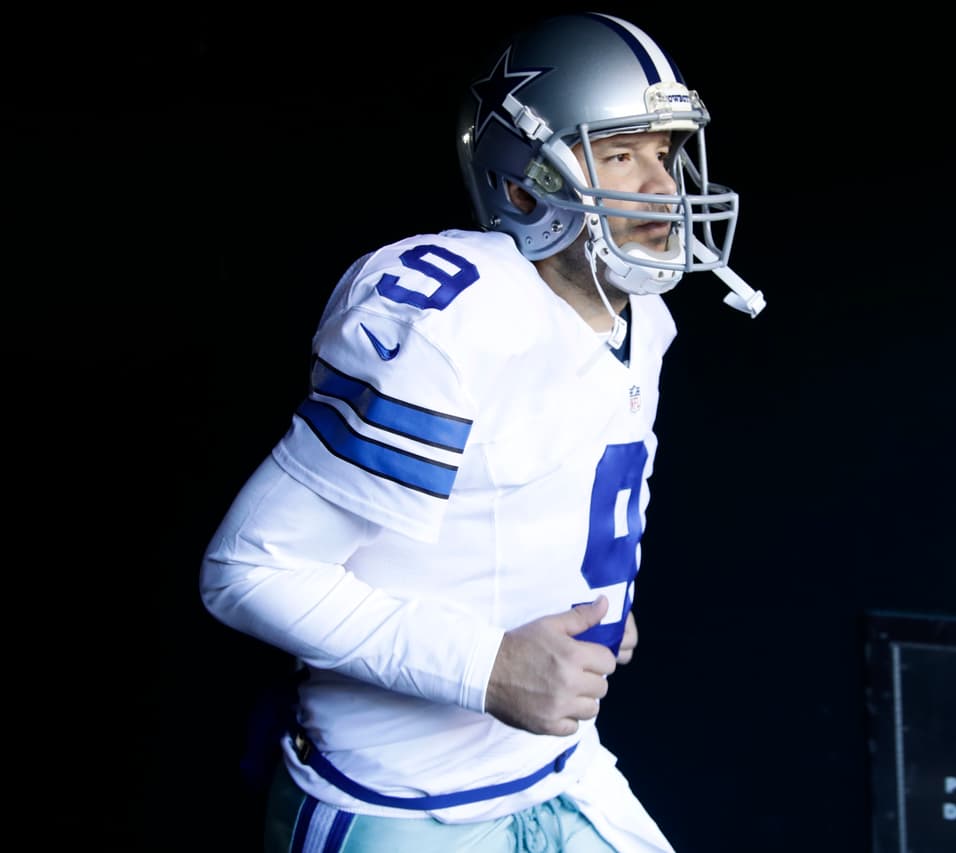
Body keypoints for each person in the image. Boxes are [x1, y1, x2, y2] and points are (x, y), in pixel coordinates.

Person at [199, 11, 765, 853]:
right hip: (400, 794)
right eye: (619, 154)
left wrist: (602, 597)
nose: (663, 187)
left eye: (667, 151)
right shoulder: (456, 317)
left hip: (560, 765)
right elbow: (245, 571)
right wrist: (487, 666)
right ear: (523, 179)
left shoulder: (642, 314)